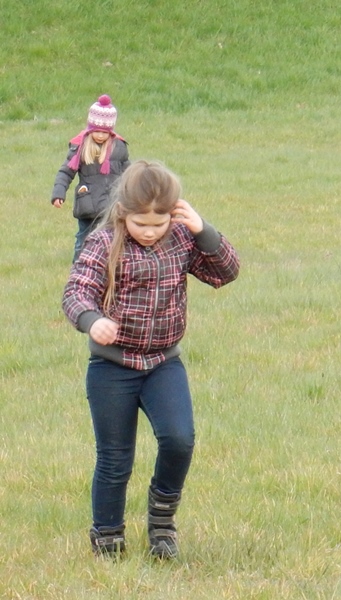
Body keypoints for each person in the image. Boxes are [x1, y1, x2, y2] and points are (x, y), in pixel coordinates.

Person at [62, 160, 240, 558]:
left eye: (158, 224)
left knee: (179, 439)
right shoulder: (103, 242)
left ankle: (161, 524)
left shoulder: (181, 239)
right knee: (115, 458)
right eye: (140, 223)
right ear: (123, 213)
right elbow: (76, 292)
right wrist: (92, 321)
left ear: (173, 215)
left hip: (163, 364)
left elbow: (225, 273)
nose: (149, 231)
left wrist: (203, 229)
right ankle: (107, 535)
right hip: (112, 368)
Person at [52, 94, 130, 261]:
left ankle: (110, 269)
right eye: (97, 131)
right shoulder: (80, 148)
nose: (100, 135)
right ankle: (78, 269)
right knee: (83, 240)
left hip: (112, 204)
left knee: (114, 240)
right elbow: (66, 172)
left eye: (105, 132)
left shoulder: (119, 148)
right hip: (88, 204)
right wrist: (59, 193)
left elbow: (129, 174)